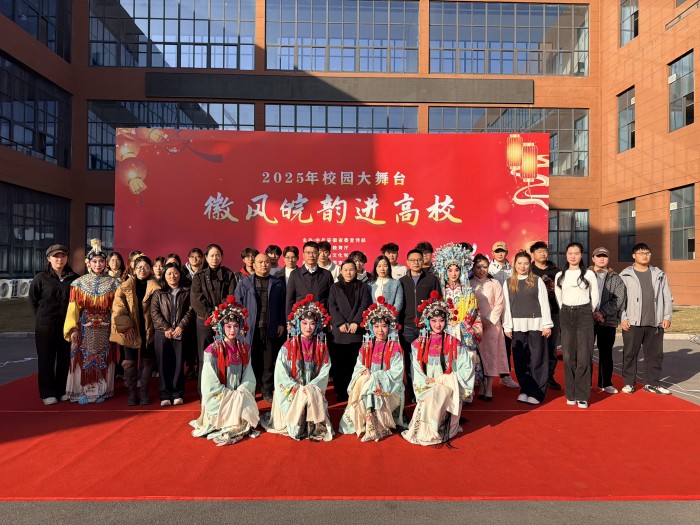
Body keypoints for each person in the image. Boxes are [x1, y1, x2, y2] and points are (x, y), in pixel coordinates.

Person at [402, 291, 474, 447]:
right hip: (427, 385)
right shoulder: (418, 343)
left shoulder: (454, 343)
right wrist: (427, 385)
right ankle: (430, 429)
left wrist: (443, 380)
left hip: (448, 386)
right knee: (430, 398)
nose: (437, 325)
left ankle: (439, 427)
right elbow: (417, 372)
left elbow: (466, 368)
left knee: (439, 394)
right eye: (433, 321)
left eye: (441, 320)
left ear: (446, 321)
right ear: (427, 321)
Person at [262, 295, 334, 441]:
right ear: (297, 324)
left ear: (317, 325)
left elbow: (324, 371)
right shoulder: (288, 346)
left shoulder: (321, 347)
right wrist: (299, 390)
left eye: (312, 323)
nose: (308, 327)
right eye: (304, 323)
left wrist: (311, 388)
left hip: (312, 390)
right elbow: (281, 374)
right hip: (293, 391)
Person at [190, 296, 260, 445]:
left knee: (247, 417)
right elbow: (209, 384)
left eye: (236, 326)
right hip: (221, 397)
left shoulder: (244, 348)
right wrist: (230, 396)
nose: (232, 330)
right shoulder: (212, 351)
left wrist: (240, 393)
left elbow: (248, 376)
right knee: (234, 422)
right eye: (228, 326)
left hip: (239, 394)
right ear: (221, 327)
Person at [339, 297, 405, 441]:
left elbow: (397, 373)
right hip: (368, 384)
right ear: (370, 327)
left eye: (384, 326)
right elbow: (359, 366)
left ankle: (375, 427)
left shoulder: (394, 347)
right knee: (364, 382)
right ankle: (367, 423)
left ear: (390, 327)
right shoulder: (366, 346)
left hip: (389, 389)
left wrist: (375, 377)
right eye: (376, 326)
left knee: (371, 388)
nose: (380, 330)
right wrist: (365, 374)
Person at [63, 240, 120, 404]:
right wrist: (73, 328)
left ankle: (101, 391)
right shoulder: (78, 283)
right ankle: (82, 391)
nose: (98, 264)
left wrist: (116, 328)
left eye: (101, 261)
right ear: (88, 263)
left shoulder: (114, 283)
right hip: (84, 328)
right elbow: (73, 308)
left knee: (103, 357)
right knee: (82, 358)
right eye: (94, 261)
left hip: (106, 327)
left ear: (106, 263)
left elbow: (117, 308)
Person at [619, 243, 673, 395]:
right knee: (630, 354)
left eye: (647, 253)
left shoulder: (659, 274)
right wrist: (623, 317)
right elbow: (620, 299)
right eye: (641, 253)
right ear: (634, 256)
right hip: (633, 323)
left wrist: (667, 316)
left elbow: (667, 297)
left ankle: (652, 383)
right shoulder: (625, 275)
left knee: (655, 356)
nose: (644, 256)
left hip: (655, 322)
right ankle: (629, 383)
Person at [28, 244, 79, 405]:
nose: (59, 259)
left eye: (63, 256)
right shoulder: (40, 278)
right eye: (56, 256)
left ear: (67, 258)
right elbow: (33, 300)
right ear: (49, 258)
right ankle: (48, 392)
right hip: (45, 326)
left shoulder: (74, 278)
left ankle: (62, 390)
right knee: (46, 359)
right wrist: (42, 317)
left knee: (65, 358)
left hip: (67, 326)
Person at [432, 243, 483, 400]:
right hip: (445, 329)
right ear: (444, 271)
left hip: (463, 331)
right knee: (446, 361)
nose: (453, 273)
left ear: (462, 271)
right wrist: (446, 325)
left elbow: (473, 311)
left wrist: (461, 326)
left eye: (456, 270)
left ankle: (465, 393)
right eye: (450, 270)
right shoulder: (440, 291)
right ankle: (448, 392)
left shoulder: (468, 290)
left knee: (465, 361)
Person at [503, 251, 553, 405]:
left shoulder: (537, 281)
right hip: (517, 326)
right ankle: (525, 389)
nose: (522, 266)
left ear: (529, 265)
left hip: (536, 325)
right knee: (520, 360)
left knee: (537, 359)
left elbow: (544, 303)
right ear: (514, 265)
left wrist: (547, 324)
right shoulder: (508, 282)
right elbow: (506, 306)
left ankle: (537, 392)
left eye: (525, 263)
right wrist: (507, 326)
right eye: (519, 263)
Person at [235, 253, 286, 403]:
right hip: (251, 329)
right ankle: (251, 390)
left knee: (268, 362)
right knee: (251, 362)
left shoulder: (277, 283)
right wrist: (241, 325)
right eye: (260, 262)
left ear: (270, 264)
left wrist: (281, 323)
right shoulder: (245, 284)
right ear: (254, 264)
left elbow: (282, 306)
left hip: (270, 327)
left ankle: (267, 390)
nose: (263, 265)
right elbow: (237, 305)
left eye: (266, 262)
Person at [111, 254, 161, 405]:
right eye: (139, 267)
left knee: (147, 361)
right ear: (133, 269)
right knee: (129, 362)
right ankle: (132, 392)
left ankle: (144, 391)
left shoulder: (157, 287)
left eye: (146, 267)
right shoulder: (124, 286)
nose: (142, 270)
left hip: (148, 328)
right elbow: (118, 308)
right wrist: (126, 327)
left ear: (150, 269)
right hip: (130, 328)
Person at [555, 242, 599, 409]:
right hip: (566, 314)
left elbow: (595, 295)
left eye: (576, 253)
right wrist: (566, 310)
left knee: (584, 355)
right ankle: (571, 393)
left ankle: (582, 395)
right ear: (566, 255)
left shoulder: (589, 274)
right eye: (570, 253)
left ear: (581, 255)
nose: (573, 256)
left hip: (584, 314)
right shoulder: (560, 275)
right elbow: (559, 296)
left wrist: (588, 311)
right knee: (568, 356)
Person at [190, 243, 238, 395]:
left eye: (218, 255)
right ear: (206, 257)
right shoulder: (199, 276)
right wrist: (210, 315)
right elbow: (196, 299)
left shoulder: (228, 274)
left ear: (222, 257)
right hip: (204, 322)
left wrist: (220, 314)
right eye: (211, 255)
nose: (215, 258)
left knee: (224, 355)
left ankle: (225, 390)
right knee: (205, 357)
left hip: (224, 322)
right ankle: (204, 393)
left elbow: (231, 296)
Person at [399, 248, 441, 402]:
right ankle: (414, 392)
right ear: (407, 262)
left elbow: (438, 302)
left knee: (429, 359)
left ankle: (428, 390)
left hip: (427, 327)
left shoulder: (432, 279)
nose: (416, 262)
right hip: (408, 327)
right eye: (413, 260)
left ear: (423, 261)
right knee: (411, 360)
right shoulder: (402, 281)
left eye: (419, 259)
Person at [151, 262, 195, 406]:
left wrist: (181, 326)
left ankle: (177, 393)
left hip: (180, 332)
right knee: (163, 364)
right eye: (169, 273)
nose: (172, 276)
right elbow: (155, 313)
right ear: (164, 275)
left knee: (178, 364)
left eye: (175, 273)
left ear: (180, 274)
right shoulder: (158, 293)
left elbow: (190, 311)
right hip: (162, 334)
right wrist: (166, 328)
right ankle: (164, 394)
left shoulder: (186, 291)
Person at [328, 260, 372, 402]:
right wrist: (340, 322)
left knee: (354, 363)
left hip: (356, 331)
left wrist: (356, 322)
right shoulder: (335, 287)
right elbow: (332, 306)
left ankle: (354, 390)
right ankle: (341, 392)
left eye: (351, 269)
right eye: (345, 270)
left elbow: (364, 305)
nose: (348, 272)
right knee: (339, 363)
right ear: (341, 271)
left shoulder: (363, 286)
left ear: (356, 271)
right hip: (339, 331)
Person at [470, 253, 509, 401]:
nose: (482, 270)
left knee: (491, 354)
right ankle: (481, 385)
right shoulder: (469, 284)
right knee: (478, 356)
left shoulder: (494, 283)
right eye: (478, 267)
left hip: (492, 326)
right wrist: (477, 321)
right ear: (473, 268)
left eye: (484, 267)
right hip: (475, 325)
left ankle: (489, 387)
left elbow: (500, 303)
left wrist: (489, 320)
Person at [590, 247, 626, 394]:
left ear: (608, 258)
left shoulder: (616, 278)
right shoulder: (584, 275)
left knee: (606, 353)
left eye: (604, 256)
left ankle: (605, 383)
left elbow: (618, 299)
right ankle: (585, 383)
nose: (601, 258)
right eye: (598, 256)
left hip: (608, 320)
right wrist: (592, 312)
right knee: (585, 353)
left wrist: (601, 312)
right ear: (593, 258)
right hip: (587, 320)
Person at [530, 241, 562, 391]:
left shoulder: (557, 271)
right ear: (533, 254)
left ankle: (549, 376)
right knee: (535, 346)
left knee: (551, 346)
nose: (542, 254)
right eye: (539, 251)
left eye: (544, 251)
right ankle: (534, 377)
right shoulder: (529, 270)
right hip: (534, 313)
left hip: (554, 311)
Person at [489, 241, 519, 390]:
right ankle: (483, 377)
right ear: (492, 253)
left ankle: (505, 376)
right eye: (497, 251)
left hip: (508, 311)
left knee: (507, 343)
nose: (500, 254)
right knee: (488, 344)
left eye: (502, 251)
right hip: (491, 312)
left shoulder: (513, 270)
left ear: (507, 252)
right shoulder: (487, 269)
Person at [285, 241, 334, 315]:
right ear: (303, 255)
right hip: (301, 318)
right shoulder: (295, 274)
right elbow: (289, 301)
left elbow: (331, 300)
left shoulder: (326, 275)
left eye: (314, 252)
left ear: (318, 254)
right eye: (308, 253)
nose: (311, 255)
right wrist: (289, 320)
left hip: (321, 318)